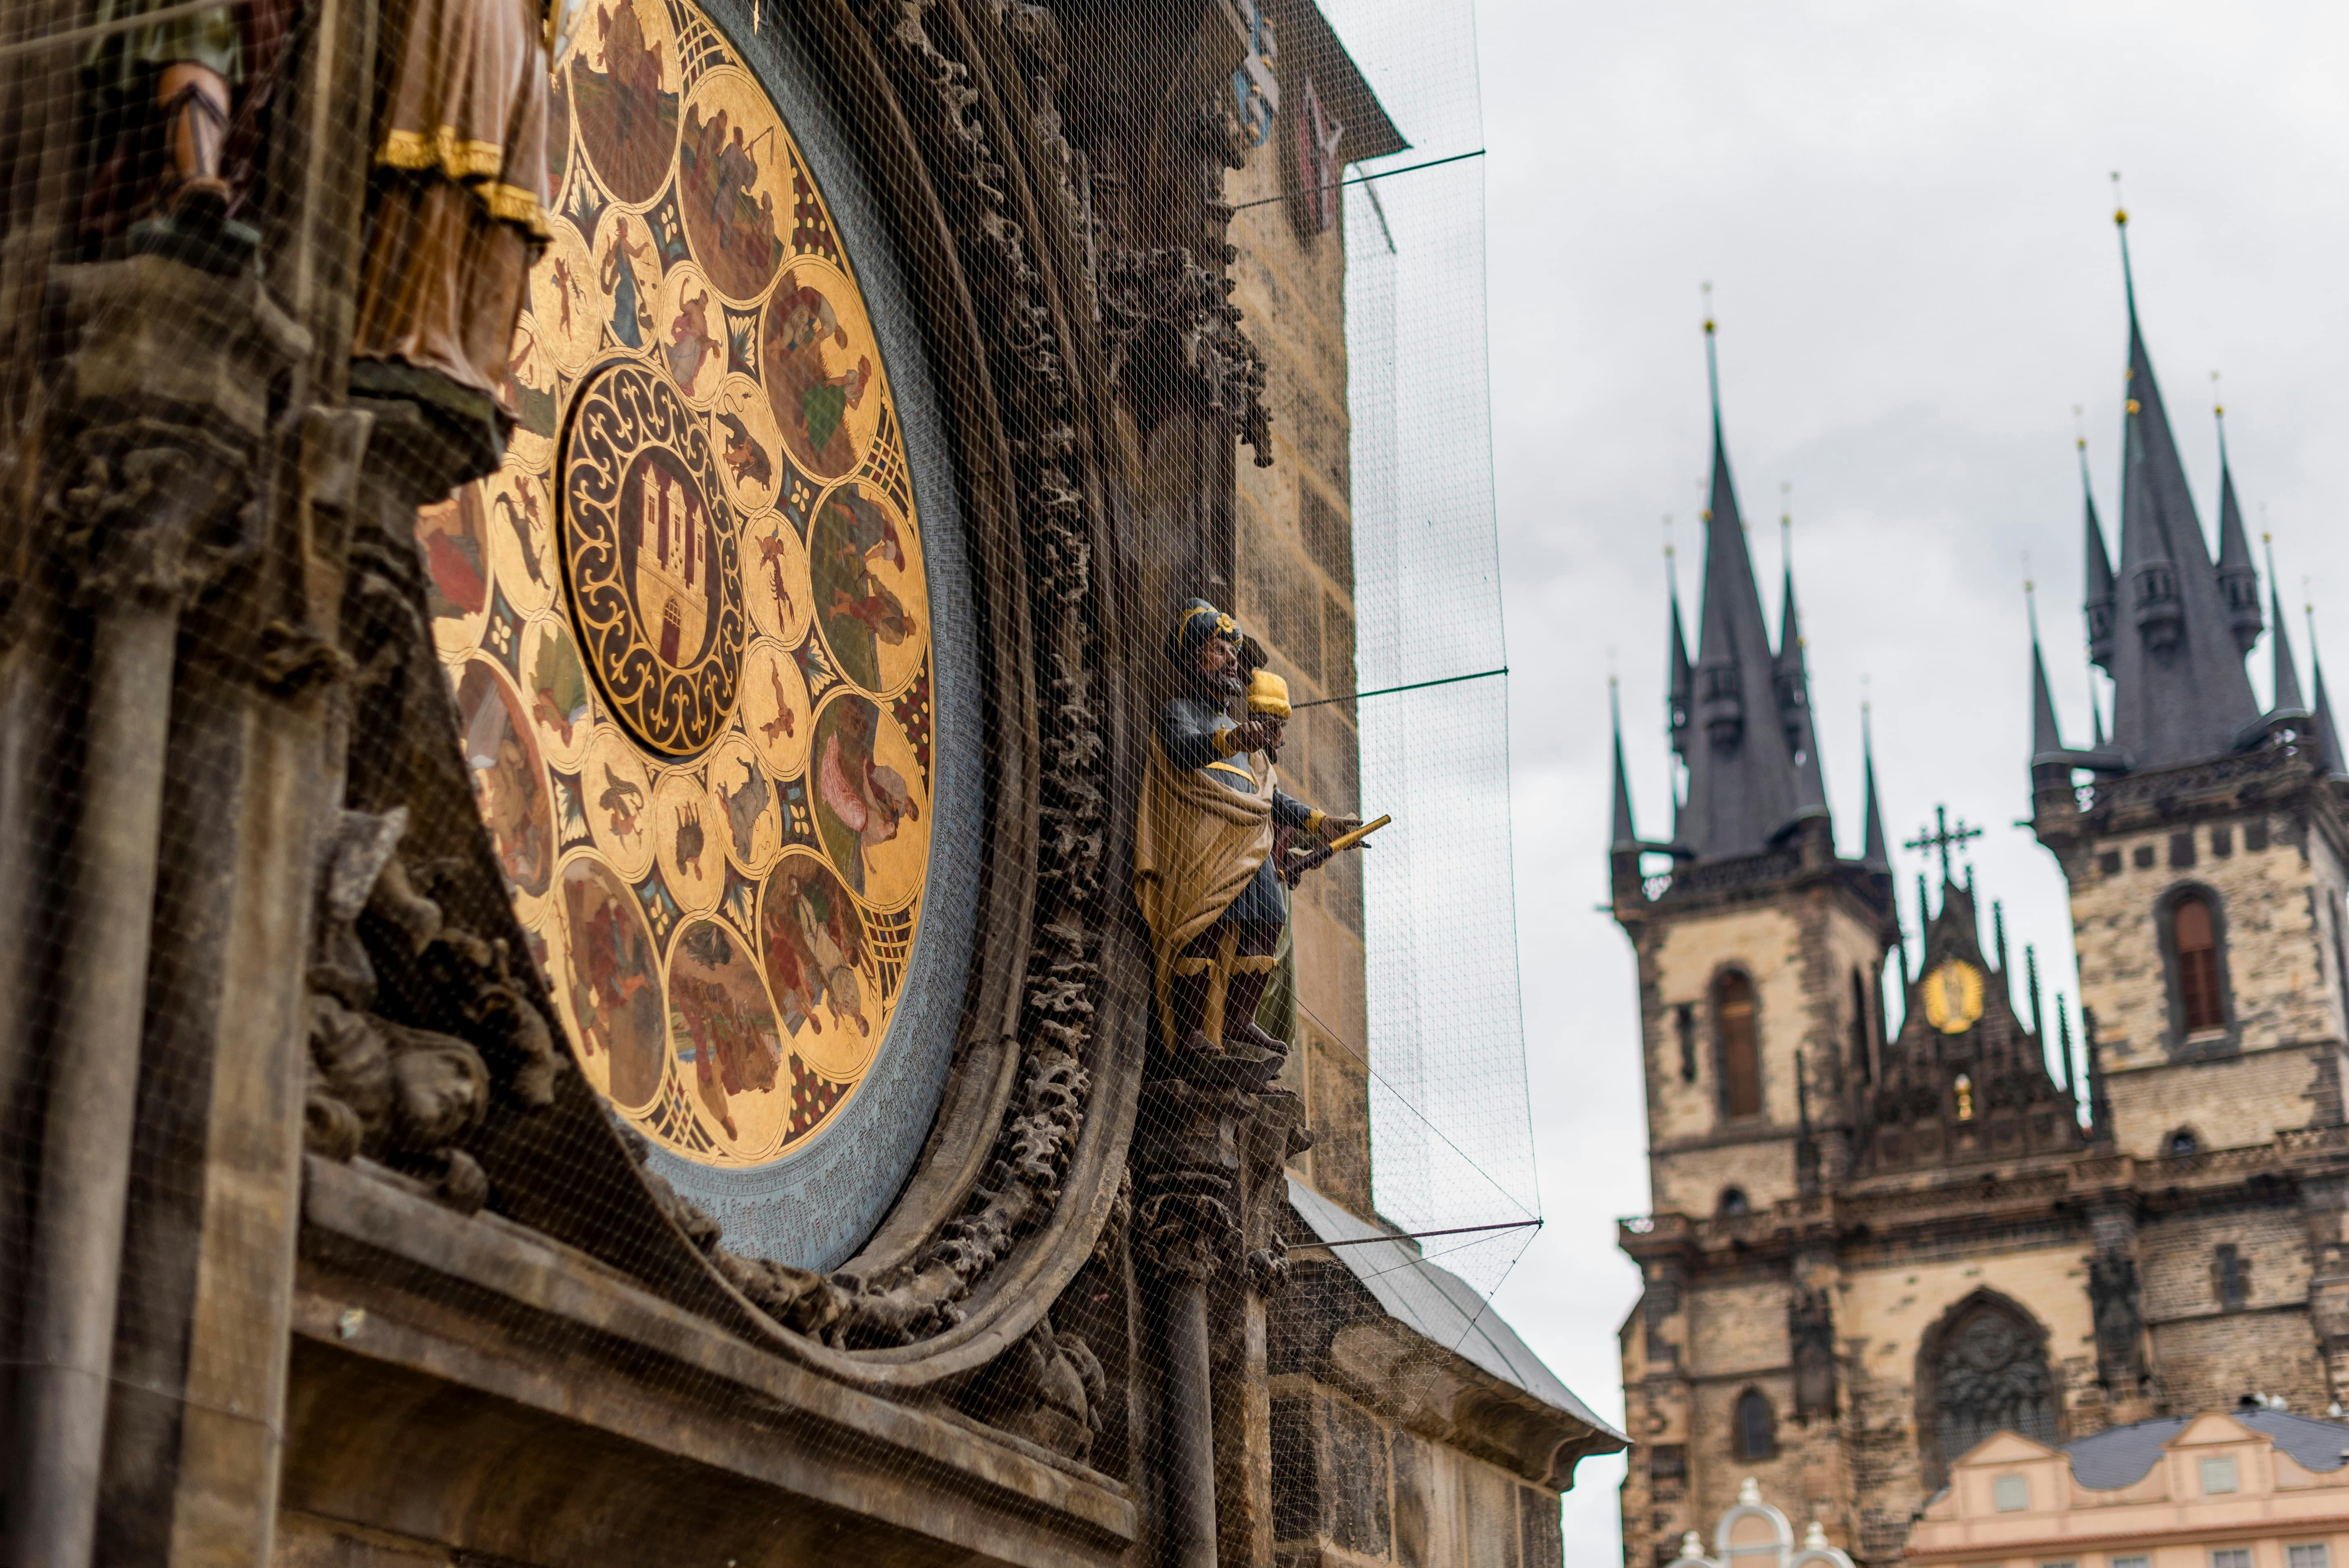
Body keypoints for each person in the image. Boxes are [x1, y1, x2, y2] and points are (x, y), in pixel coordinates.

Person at [1132, 599, 1358, 1071]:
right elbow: (1177, 750)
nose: (1231, 661)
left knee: (1266, 918)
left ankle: (1238, 1019)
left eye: (1233, 653)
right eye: (1219, 650)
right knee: (1202, 925)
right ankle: (1193, 1029)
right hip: (1202, 838)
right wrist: (1229, 742)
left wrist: (1320, 823)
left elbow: (1269, 794)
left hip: (1247, 844)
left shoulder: (1241, 729)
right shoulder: (1182, 711)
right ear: (1194, 657)